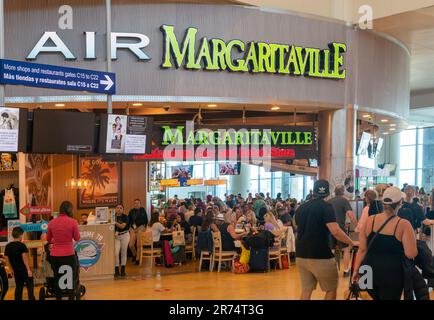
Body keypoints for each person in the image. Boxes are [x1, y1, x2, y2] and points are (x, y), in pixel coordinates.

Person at [352, 187, 418, 300]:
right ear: (400, 203)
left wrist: (356, 270)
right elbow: (411, 253)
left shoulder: (370, 220)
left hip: (367, 269)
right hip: (392, 273)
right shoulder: (403, 224)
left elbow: (362, 249)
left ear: (383, 203)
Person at [294, 180, 355, 300]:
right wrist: (351, 242)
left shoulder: (301, 208)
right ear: (328, 193)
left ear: (314, 191)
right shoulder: (327, 207)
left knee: (306, 290)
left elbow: (297, 227)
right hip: (320, 255)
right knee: (331, 288)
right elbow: (336, 231)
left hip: (301, 255)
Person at [46, 201, 80, 300]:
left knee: (57, 279)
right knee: (70, 280)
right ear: (70, 210)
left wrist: (55, 239)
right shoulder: (73, 222)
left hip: (55, 256)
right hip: (69, 255)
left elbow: (48, 239)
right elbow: (77, 238)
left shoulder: (52, 222)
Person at [328, 185, 358, 277]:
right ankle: (346, 270)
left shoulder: (329, 201)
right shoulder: (344, 201)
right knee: (346, 248)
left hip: (329, 228)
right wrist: (357, 225)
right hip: (340, 228)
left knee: (331, 250)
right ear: (343, 192)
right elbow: (350, 214)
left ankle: (331, 272)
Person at [4, 227, 35, 300]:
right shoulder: (22, 245)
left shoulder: (8, 246)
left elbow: (6, 259)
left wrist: (11, 269)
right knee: (30, 287)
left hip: (16, 271)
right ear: (21, 235)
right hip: (24, 270)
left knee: (18, 288)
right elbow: (25, 258)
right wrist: (28, 270)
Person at [128, 199, 148, 265]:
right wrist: (131, 228)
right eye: (135, 203)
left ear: (140, 204)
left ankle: (138, 259)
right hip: (133, 229)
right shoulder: (131, 211)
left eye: (138, 203)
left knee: (138, 244)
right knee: (131, 245)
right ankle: (135, 254)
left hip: (141, 228)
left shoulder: (143, 210)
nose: (136, 204)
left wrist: (144, 228)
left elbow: (146, 221)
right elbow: (129, 221)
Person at [114, 204, 130, 279]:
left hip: (125, 235)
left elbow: (122, 226)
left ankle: (123, 269)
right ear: (115, 209)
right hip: (116, 236)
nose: (119, 209)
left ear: (123, 209)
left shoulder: (125, 217)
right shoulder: (112, 216)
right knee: (116, 253)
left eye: (121, 208)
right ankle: (116, 269)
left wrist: (114, 222)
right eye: (117, 208)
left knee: (123, 252)